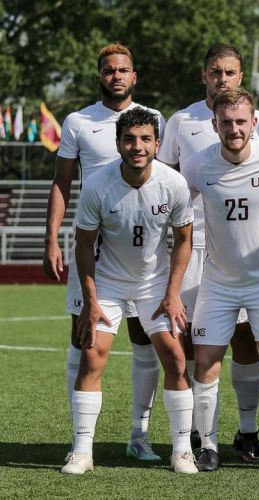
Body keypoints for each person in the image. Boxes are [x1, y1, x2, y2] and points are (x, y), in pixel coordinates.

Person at [43, 43, 166, 463]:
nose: (116, 75)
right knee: (84, 336)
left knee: (144, 338)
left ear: (135, 76)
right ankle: (81, 442)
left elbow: (162, 182)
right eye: (109, 69)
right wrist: (51, 237)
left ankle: (140, 435)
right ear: (100, 75)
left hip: (140, 248)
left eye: (123, 69)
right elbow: (62, 183)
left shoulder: (153, 119)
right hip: (92, 246)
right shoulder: (78, 121)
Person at [181, 89, 259, 472]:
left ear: (255, 123)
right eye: (226, 122)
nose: (234, 129)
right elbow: (171, 199)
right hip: (217, 281)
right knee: (205, 363)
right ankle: (208, 446)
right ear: (214, 124)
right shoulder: (197, 166)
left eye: (241, 121)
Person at [62, 107, 195, 475]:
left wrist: (172, 293)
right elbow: (84, 246)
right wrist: (90, 300)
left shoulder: (173, 183)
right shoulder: (97, 185)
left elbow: (184, 240)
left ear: (157, 143)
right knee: (92, 356)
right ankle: (81, 451)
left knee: (176, 357)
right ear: (118, 143)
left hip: (154, 283)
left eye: (145, 139)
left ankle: (182, 450)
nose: (138, 146)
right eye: (130, 139)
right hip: (108, 282)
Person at [157, 43, 259, 462]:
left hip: (245, 249)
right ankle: (197, 435)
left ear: (240, 77)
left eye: (230, 72)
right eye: (215, 72)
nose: (222, 78)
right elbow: (168, 184)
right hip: (194, 246)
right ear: (204, 75)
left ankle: (247, 431)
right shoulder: (181, 121)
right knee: (192, 341)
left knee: (246, 339)